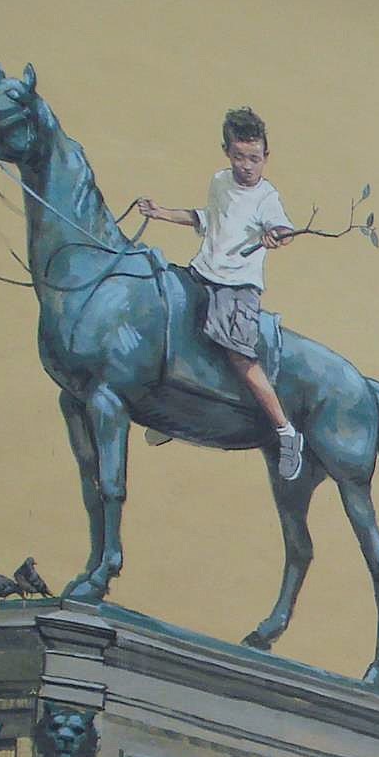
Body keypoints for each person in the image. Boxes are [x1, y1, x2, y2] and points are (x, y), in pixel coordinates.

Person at [136, 107, 303, 478]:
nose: (247, 166)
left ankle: (286, 432)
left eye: (255, 158)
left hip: (237, 288)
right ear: (226, 151)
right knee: (172, 330)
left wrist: (276, 236)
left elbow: (284, 229)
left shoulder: (266, 196)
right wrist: (161, 213)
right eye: (239, 156)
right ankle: (175, 413)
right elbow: (207, 218)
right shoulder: (220, 182)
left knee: (239, 358)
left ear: (266, 156)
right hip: (201, 273)